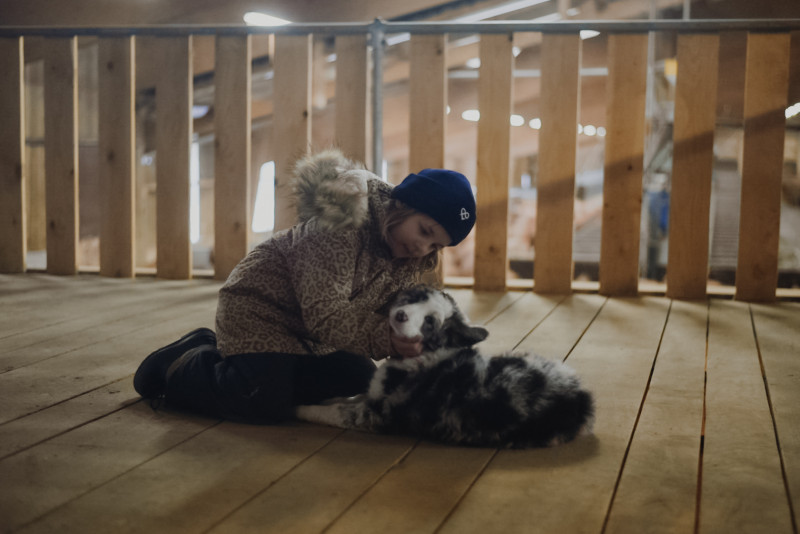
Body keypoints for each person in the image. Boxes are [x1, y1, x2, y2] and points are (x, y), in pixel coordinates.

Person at [133, 149, 477, 424]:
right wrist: (389, 339)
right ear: (402, 205)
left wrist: (420, 337)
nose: (423, 249)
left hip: (315, 336)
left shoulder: (407, 255)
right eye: (425, 231)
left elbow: (386, 309)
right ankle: (183, 363)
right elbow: (324, 313)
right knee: (261, 401)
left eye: (436, 246)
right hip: (262, 313)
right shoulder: (340, 225)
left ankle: (261, 368)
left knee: (357, 382)